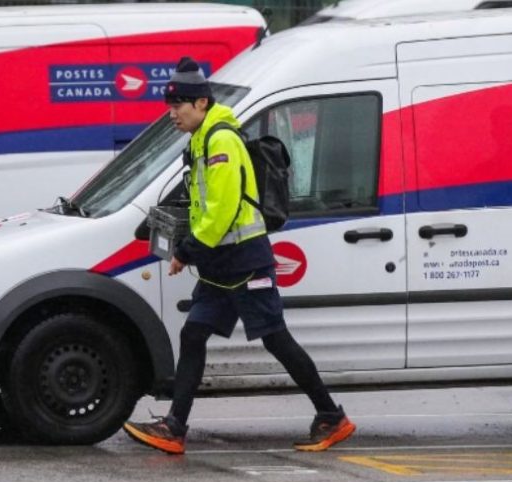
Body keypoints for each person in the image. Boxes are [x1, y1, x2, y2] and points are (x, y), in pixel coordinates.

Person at [123, 57, 355, 455]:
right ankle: (174, 428)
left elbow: (224, 209)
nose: (173, 113)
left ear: (200, 104)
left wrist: (186, 249)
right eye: (170, 105)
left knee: (276, 339)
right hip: (219, 266)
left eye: (179, 105)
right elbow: (200, 201)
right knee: (193, 333)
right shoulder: (200, 140)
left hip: (246, 262)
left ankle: (331, 417)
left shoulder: (221, 140)